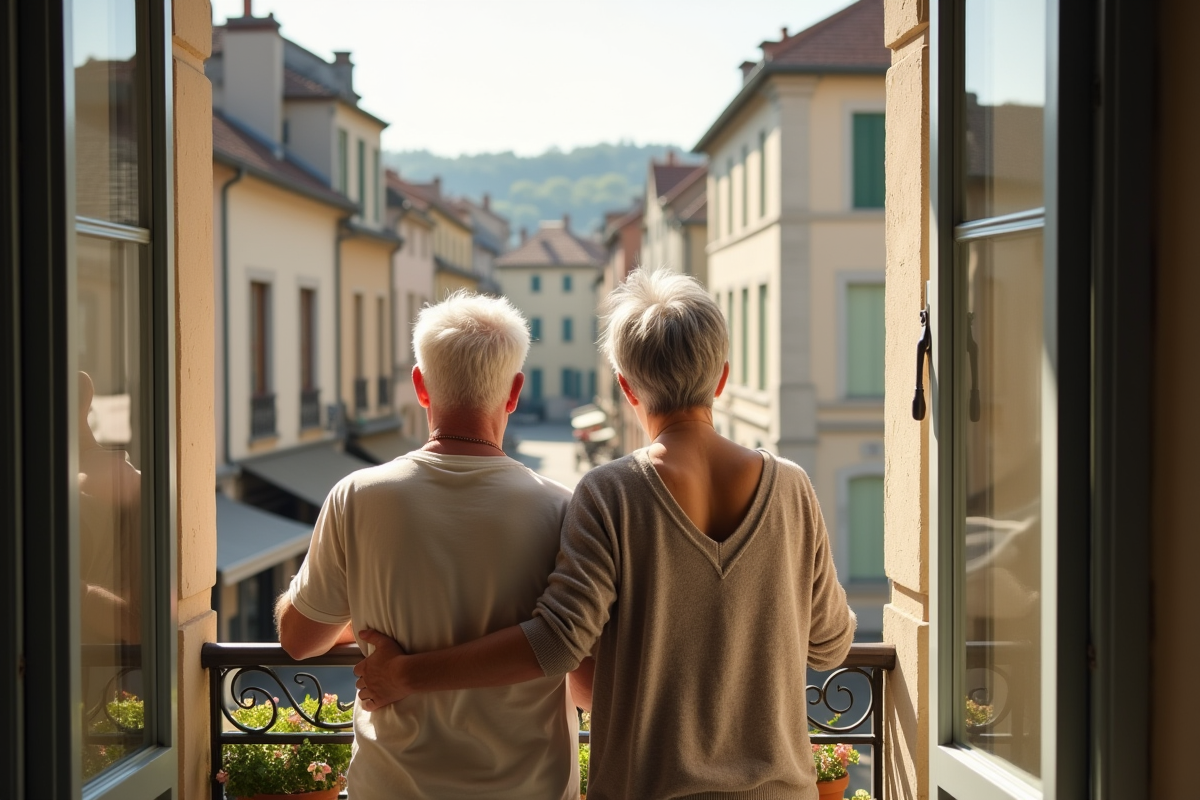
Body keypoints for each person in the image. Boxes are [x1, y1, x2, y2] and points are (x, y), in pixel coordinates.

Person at [354, 269, 858, 800]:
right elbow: (830, 643)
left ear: (625, 384)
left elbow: (556, 645)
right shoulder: (792, 487)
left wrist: (406, 675)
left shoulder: (611, 492)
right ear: (723, 378)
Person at [276, 291, 581, 800]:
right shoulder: (562, 509)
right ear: (514, 392)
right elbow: (581, 671)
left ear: (420, 385)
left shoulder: (358, 496)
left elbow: (300, 638)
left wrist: (367, 612)